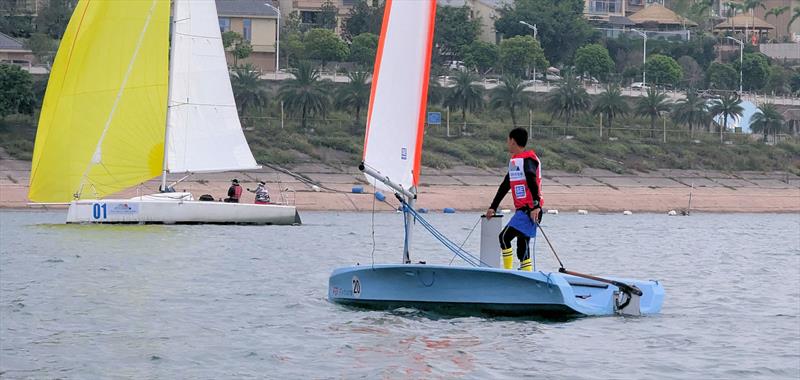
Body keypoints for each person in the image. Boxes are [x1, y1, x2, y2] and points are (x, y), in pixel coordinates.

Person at [485, 128, 543, 272]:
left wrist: (536, 205)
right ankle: (526, 274)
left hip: (531, 210)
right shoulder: (515, 162)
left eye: (508, 140)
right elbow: (505, 185)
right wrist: (493, 207)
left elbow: (531, 179)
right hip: (523, 211)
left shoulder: (528, 160)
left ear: (512, 141)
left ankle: (508, 272)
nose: (507, 143)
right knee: (522, 247)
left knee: (504, 237)